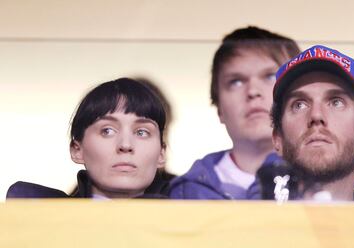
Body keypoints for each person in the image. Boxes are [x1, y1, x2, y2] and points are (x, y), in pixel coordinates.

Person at [169, 26, 301, 199]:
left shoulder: (334, 180)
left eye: (270, 76)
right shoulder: (187, 193)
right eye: (236, 82)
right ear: (219, 108)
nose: (253, 91)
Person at [7, 78, 168, 199]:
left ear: (161, 153)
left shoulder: (188, 219)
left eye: (142, 132)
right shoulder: (32, 214)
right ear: (77, 149)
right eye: (107, 131)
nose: (125, 145)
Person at [269, 45, 354, 201]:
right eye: (299, 104)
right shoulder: (243, 225)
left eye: (336, 102)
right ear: (278, 138)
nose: (316, 115)